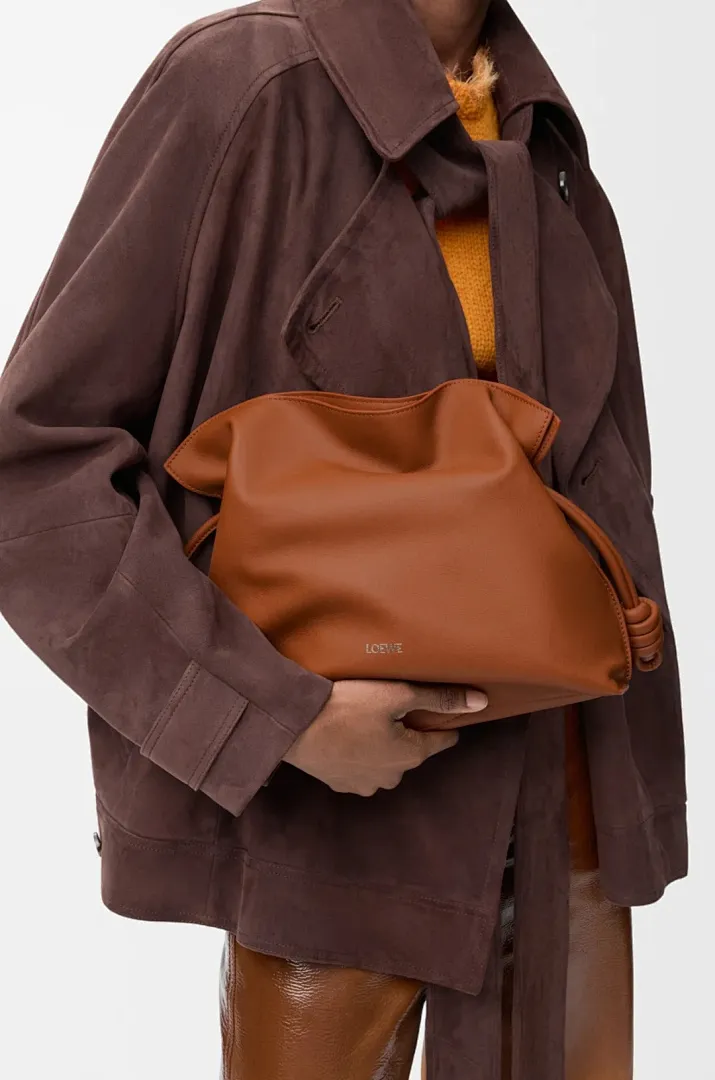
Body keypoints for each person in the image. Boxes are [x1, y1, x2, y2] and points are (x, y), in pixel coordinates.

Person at [0, 0, 687, 1077]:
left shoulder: (539, 132)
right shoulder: (244, 84)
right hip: (339, 842)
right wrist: (274, 719)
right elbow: (33, 475)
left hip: (569, 829)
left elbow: (606, 492)